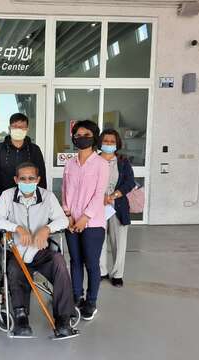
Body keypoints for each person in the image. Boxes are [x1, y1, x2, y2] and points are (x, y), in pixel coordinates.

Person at [0, 162, 78, 339]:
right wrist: (17, 228)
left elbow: (63, 221)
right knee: (14, 271)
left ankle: (62, 319)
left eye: (31, 178)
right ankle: (21, 317)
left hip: (40, 251)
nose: (27, 181)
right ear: (16, 180)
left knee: (59, 263)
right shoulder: (7, 196)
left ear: (38, 180)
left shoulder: (47, 196)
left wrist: (47, 229)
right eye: (23, 178)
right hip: (17, 251)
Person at [62, 120, 109, 321]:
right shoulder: (70, 163)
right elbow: (65, 190)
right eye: (78, 134)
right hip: (71, 222)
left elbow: (99, 194)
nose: (82, 138)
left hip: (93, 223)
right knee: (75, 261)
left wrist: (84, 217)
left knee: (91, 263)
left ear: (94, 137)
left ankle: (91, 302)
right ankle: (76, 296)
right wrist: (68, 214)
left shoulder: (101, 164)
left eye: (86, 134)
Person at [99, 129, 136, 288]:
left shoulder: (123, 161)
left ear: (117, 143)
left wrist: (113, 196)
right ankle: (101, 272)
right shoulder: (94, 160)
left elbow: (130, 182)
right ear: (100, 142)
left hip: (117, 206)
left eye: (111, 141)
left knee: (118, 242)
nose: (108, 144)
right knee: (98, 241)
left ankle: (117, 274)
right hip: (97, 206)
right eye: (105, 141)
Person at [0, 113, 46, 207]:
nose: (18, 129)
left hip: (28, 197)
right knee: (1, 221)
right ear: (9, 129)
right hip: (1, 197)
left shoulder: (34, 149)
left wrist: (41, 194)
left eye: (21, 127)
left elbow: (41, 173)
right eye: (15, 126)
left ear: (27, 129)